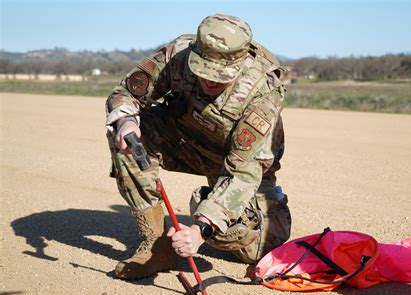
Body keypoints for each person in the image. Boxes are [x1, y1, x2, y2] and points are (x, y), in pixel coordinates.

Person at [105, 14, 292, 280]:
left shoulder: (261, 95)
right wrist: (126, 120)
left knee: (248, 243)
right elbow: (125, 92)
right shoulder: (178, 55)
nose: (209, 81)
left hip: (232, 163)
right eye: (203, 70)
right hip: (184, 141)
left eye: (220, 76)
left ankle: (269, 209)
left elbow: (242, 174)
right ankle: (157, 247)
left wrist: (200, 230)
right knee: (126, 138)